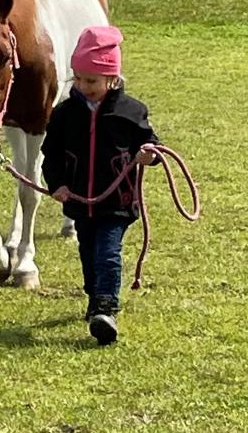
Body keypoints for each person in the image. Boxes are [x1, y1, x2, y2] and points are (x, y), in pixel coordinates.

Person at [41, 25, 158, 345]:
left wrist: (150, 155)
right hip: (80, 200)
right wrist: (57, 184)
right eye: (77, 78)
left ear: (112, 78)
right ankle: (95, 298)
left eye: (91, 80)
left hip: (117, 201)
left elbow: (151, 143)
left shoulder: (132, 111)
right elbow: (50, 153)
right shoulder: (64, 114)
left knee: (108, 252)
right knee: (89, 252)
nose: (82, 85)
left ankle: (106, 307)